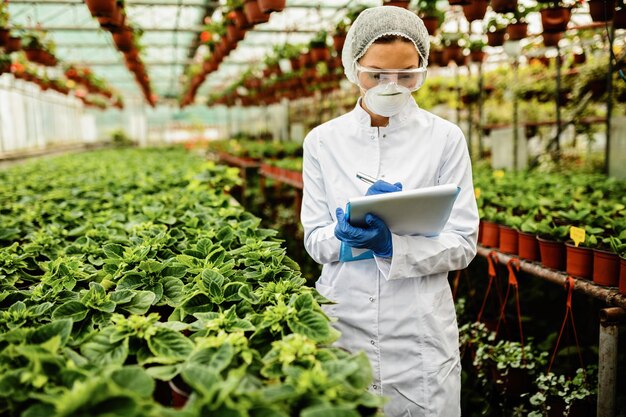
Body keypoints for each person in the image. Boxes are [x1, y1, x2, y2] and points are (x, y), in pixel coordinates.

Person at [300, 6, 479, 417]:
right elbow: (314, 239)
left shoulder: (445, 139)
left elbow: (464, 243)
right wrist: (343, 237)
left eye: (406, 75)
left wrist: (390, 246)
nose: (392, 86)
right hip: (346, 322)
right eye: (376, 74)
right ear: (352, 67)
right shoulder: (323, 142)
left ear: (422, 69)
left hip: (418, 333)